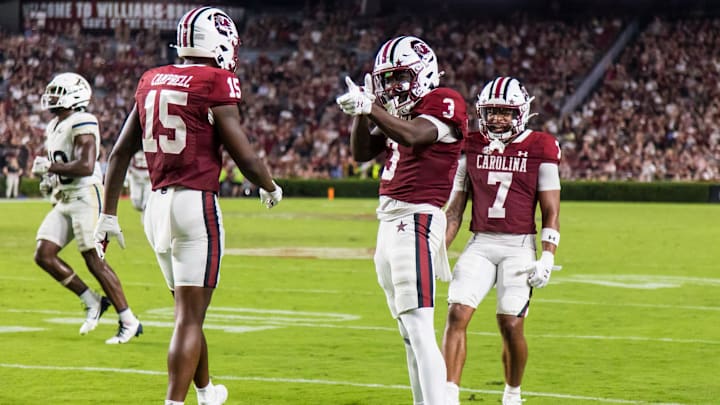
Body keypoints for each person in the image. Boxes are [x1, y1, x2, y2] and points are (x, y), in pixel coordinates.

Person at [93, 7, 282, 405]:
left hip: (156, 210)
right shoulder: (216, 80)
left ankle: (207, 392)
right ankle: (174, 402)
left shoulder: (151, 79)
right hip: (196, 206)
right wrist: (268, 185)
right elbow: (242, 151)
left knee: (187, 311)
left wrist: (108, 214)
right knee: (190, 317)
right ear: (217, 43)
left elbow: (118, 154)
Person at [337, 35, 468, 405]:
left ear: (424, 73)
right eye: (388, 78)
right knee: (408, 332)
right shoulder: (398, 111)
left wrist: (373, 109)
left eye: (401, 77)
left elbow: (414, 136)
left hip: (416, 219)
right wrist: (364, 112)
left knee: (419, 327)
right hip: (390, 222)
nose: (394, 86)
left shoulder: (444, 101)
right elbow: (362, 151)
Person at [441, 77, 562, 405]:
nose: (496, 118)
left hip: (519, 245)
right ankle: (447, 396)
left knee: (510, 323)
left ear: (521, 112)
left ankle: (512, 394)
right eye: (491, 111)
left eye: (505, 112)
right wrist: (440, 250)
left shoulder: (541, 147)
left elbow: (551, 210)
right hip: (480, 242)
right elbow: (455, 210)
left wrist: (548, 255)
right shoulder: (470, 144)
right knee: (456, 314)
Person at [31, 72, 142, 344]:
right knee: (44, 254)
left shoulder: (83, 120)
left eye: (59, 91)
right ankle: (92, 300)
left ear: (76, 95)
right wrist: (50, 180)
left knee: (94, 259)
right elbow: (63, 164)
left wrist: (50, 167)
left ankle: (129, 320)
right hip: (66, 197)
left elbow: (85, 164)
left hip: (86, 196)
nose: (52, 96)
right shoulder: (54, 125)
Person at [127, 150, 151, 217]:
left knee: (147, 203)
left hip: (148, 177)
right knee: (136, 203)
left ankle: (146, 218)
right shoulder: (133, 144)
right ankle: (143, 211)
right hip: (135, 177)